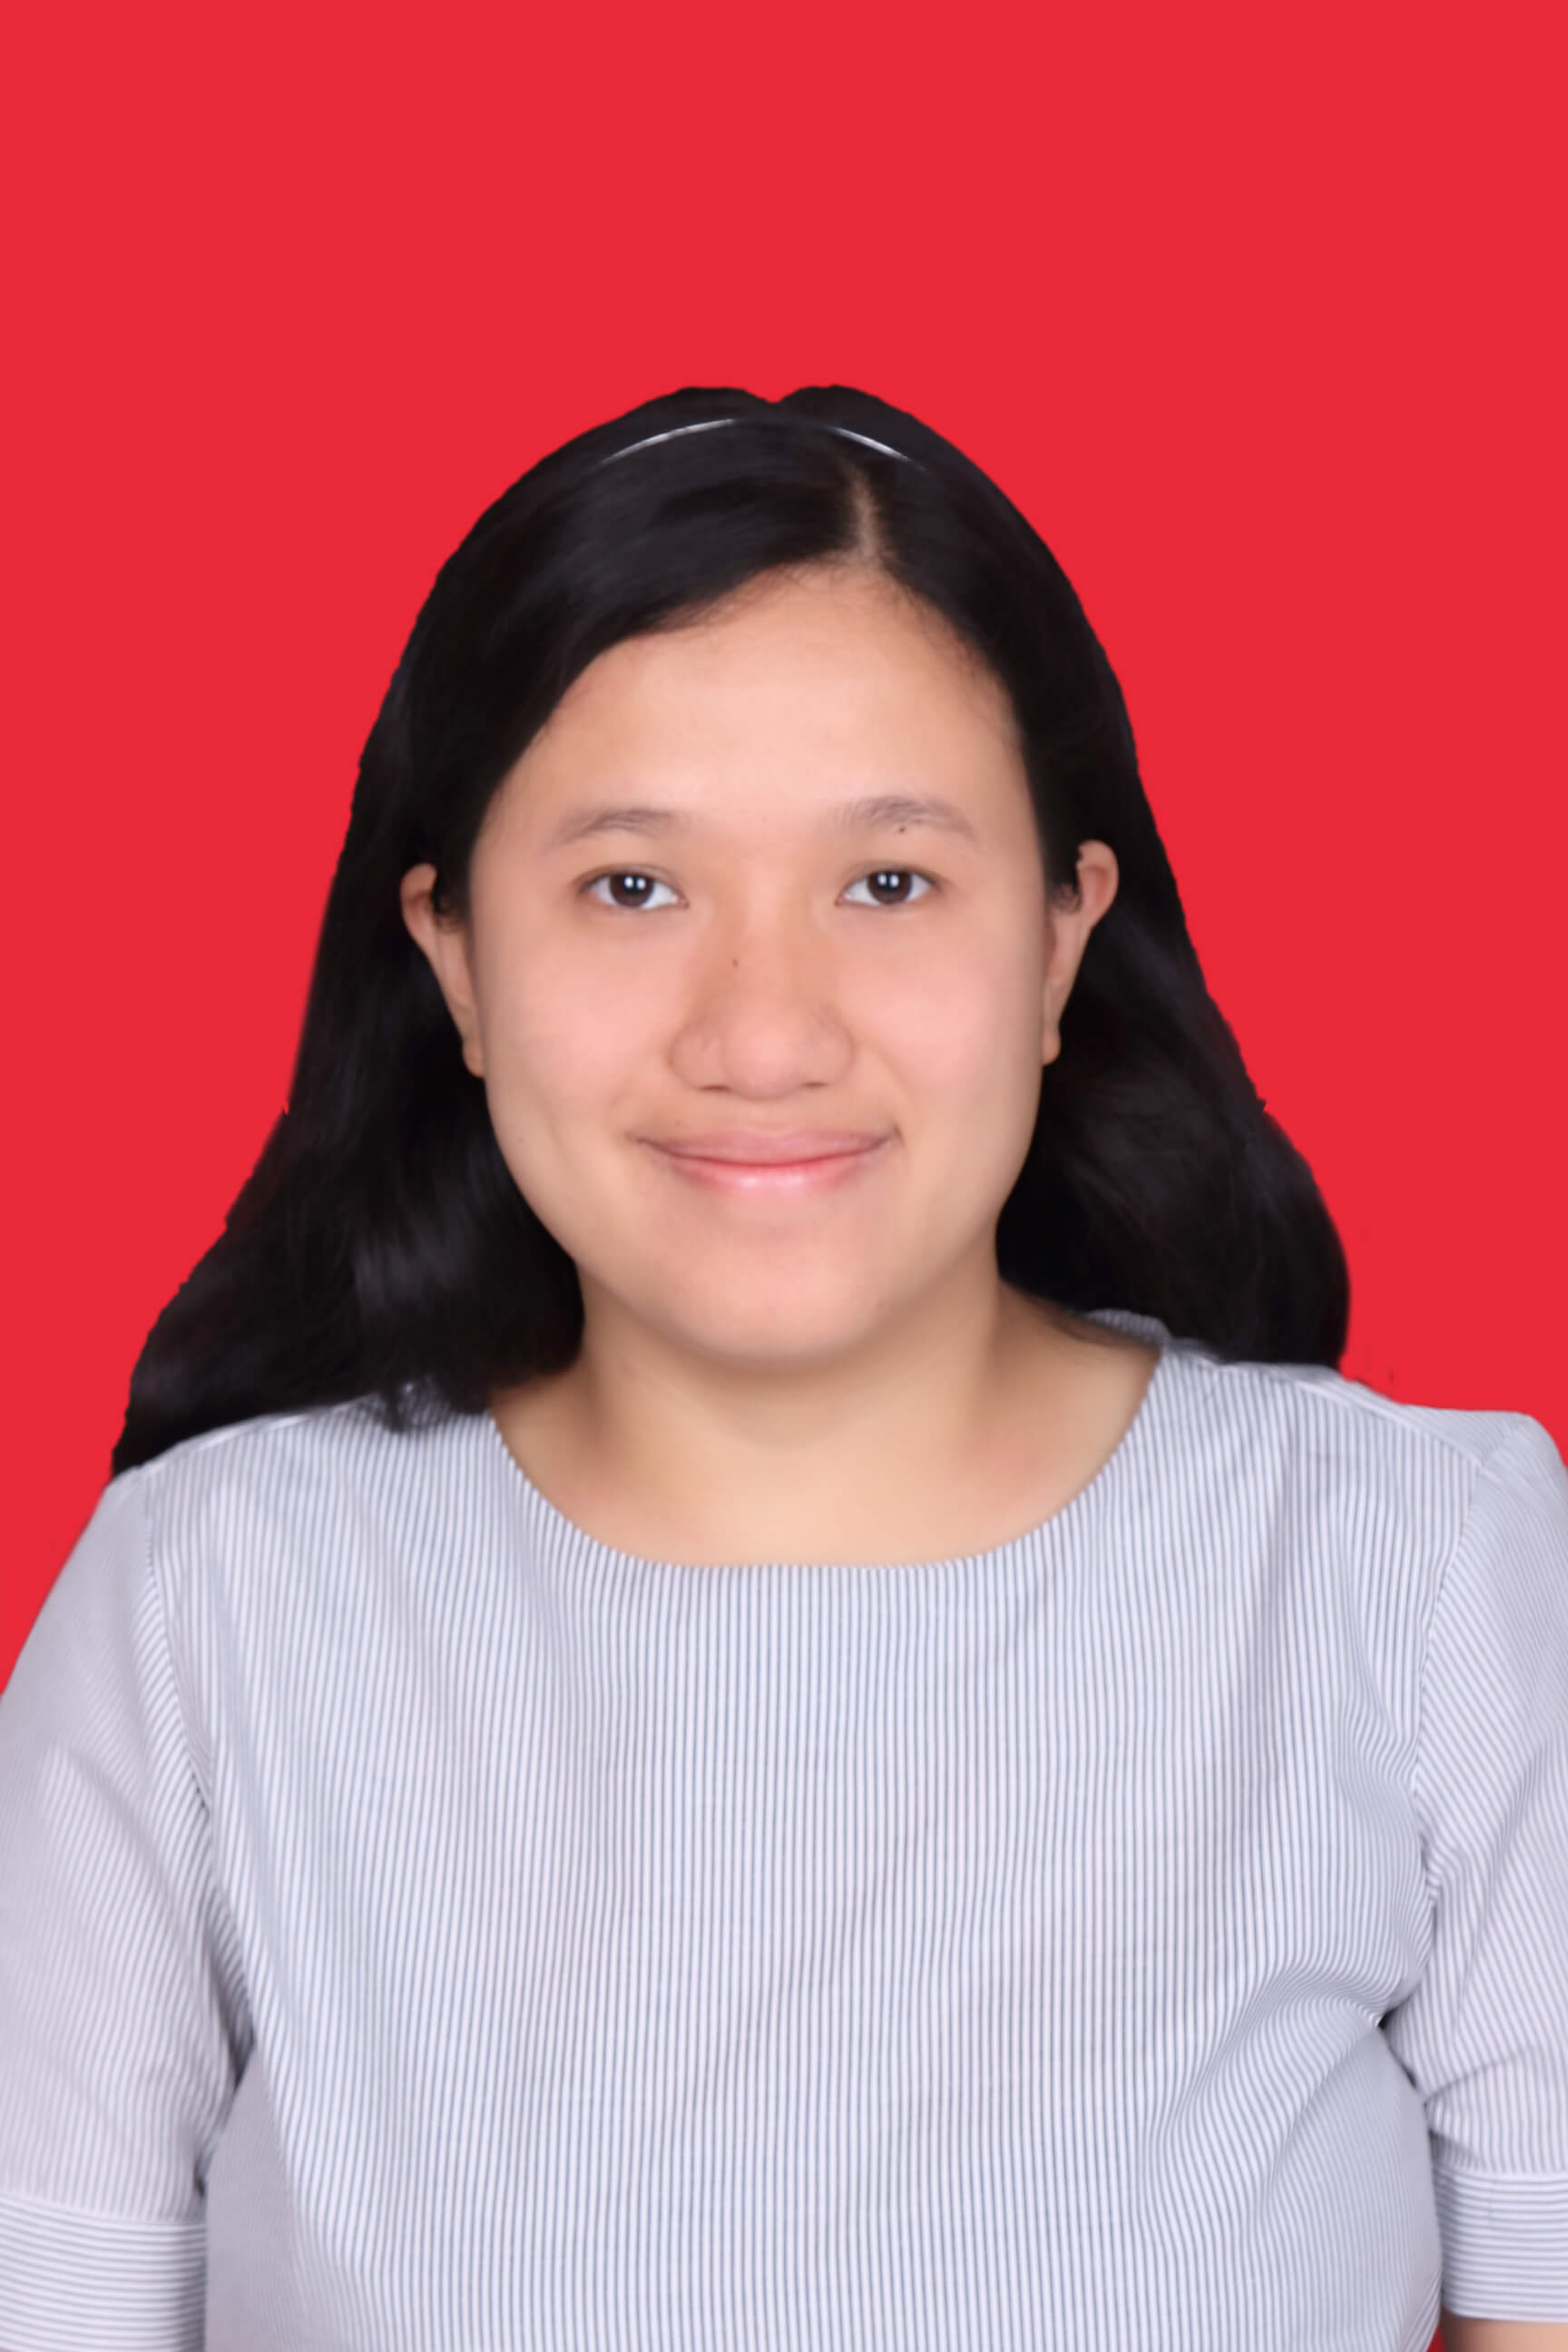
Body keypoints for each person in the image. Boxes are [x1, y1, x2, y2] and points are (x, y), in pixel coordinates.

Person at [1, 385, 1564, 2352]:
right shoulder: (205, 1610)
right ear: (457, 957)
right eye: (632, 887)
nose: (763, 1034)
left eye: (890, 883)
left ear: (1063, 941)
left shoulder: (1417, 1573)